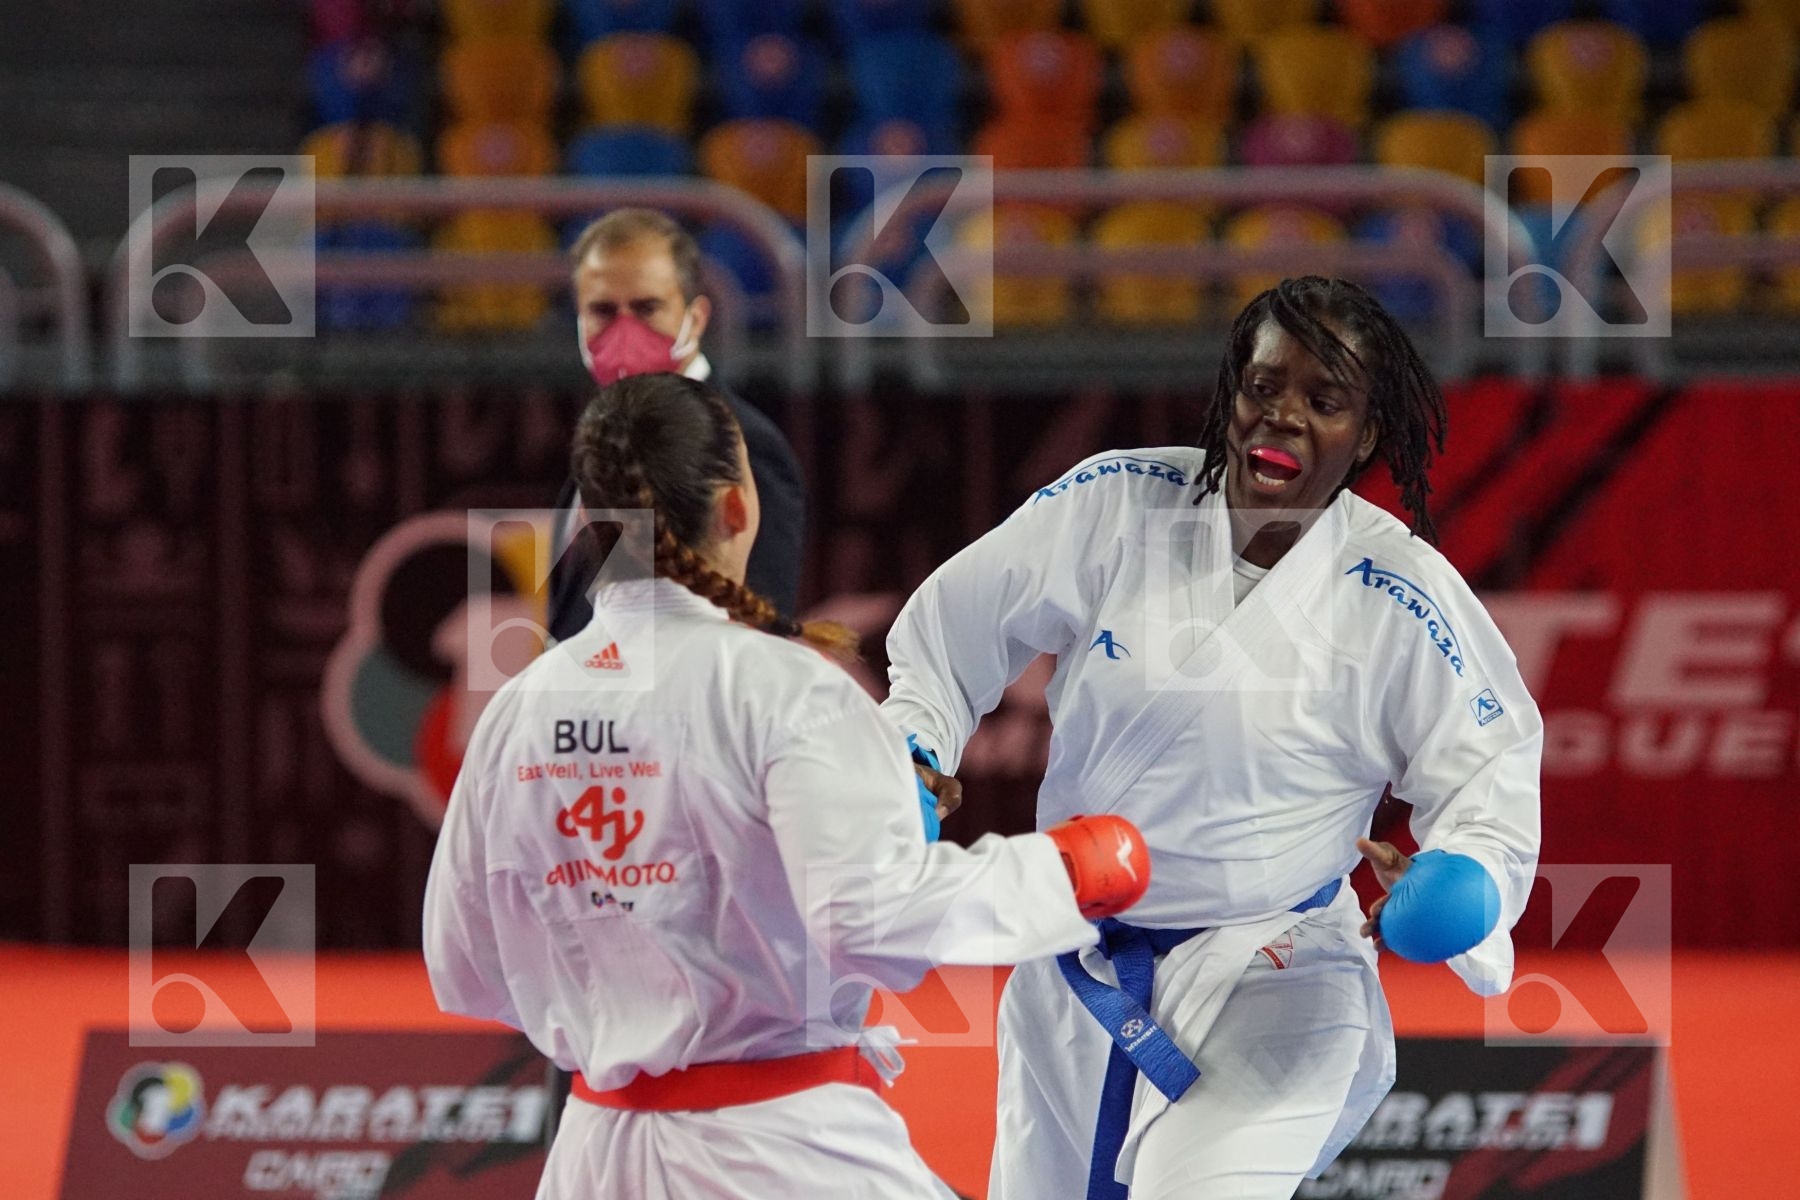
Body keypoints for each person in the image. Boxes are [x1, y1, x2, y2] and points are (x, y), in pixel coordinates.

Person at [883, 277, 1543, 1199]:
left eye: (1325, 402)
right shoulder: (1117, 502)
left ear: (1370, 437)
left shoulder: (1399, 590)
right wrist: (910, 755)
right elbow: (945, 642)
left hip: (1277, 973)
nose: (1283, 418)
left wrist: (1460, 880)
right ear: (1232, 389)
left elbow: (1492, 776)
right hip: (1075, 956)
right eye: (1264, 386)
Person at [423, 372, 1153, 1200]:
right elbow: (877, 921)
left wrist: (631, 984)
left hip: (593, 1155)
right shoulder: (783, 688)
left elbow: (464, 969)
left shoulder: (518, 706)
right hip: (783, 1153)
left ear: (589, 522)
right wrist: (1066, 869)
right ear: (738, 509)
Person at [547, 208, 805, 641]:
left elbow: (760, 627)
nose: (624, 331)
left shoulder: (744, 444)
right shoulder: (599, 438)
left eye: (647, 308)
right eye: (603, 311)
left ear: (697, 318)